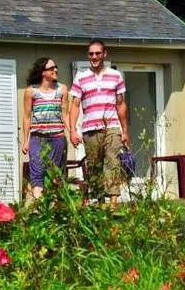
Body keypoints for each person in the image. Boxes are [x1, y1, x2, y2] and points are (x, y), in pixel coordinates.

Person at [69, 40, 129, 207]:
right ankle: (101, 202)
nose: (94, 57)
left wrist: (125, 131)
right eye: (91, 54)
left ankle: (114, 202)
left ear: (104, 54)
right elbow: (74, 105)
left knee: (112, 161)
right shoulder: (80, 76)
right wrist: (72, 131)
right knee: (94, 166)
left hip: (111, 126)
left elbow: (121, 104)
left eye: (97, 53)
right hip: (89, 128)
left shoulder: (116, 76)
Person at [21, 57, 69, 199]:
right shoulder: (31, 91)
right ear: (43, 72)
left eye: (56, 67)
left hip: (57, 138)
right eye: (51, 68)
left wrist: (73, 132)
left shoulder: (62, 89)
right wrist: (25, 140)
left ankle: (54, 209)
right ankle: (40, 207)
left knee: (55, 175)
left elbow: (64, 114)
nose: (55, 70)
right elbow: (27, 116)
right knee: (37, 174)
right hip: (37, 138)